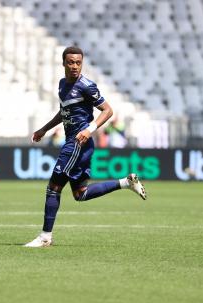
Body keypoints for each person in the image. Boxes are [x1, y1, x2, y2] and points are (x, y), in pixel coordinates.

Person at [24, 47, 147, 248]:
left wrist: (89, 129)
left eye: (78, 63)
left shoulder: (86, 86)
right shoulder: (63, 84)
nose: (74, 66)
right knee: (80, 193)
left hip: (78, 143)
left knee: (54, 187)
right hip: (76, 142)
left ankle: (45, 236)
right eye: (70, 62)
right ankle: (126, 182)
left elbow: (108, 111)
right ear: (63, 63)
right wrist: (44, 129)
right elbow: (64, 112)